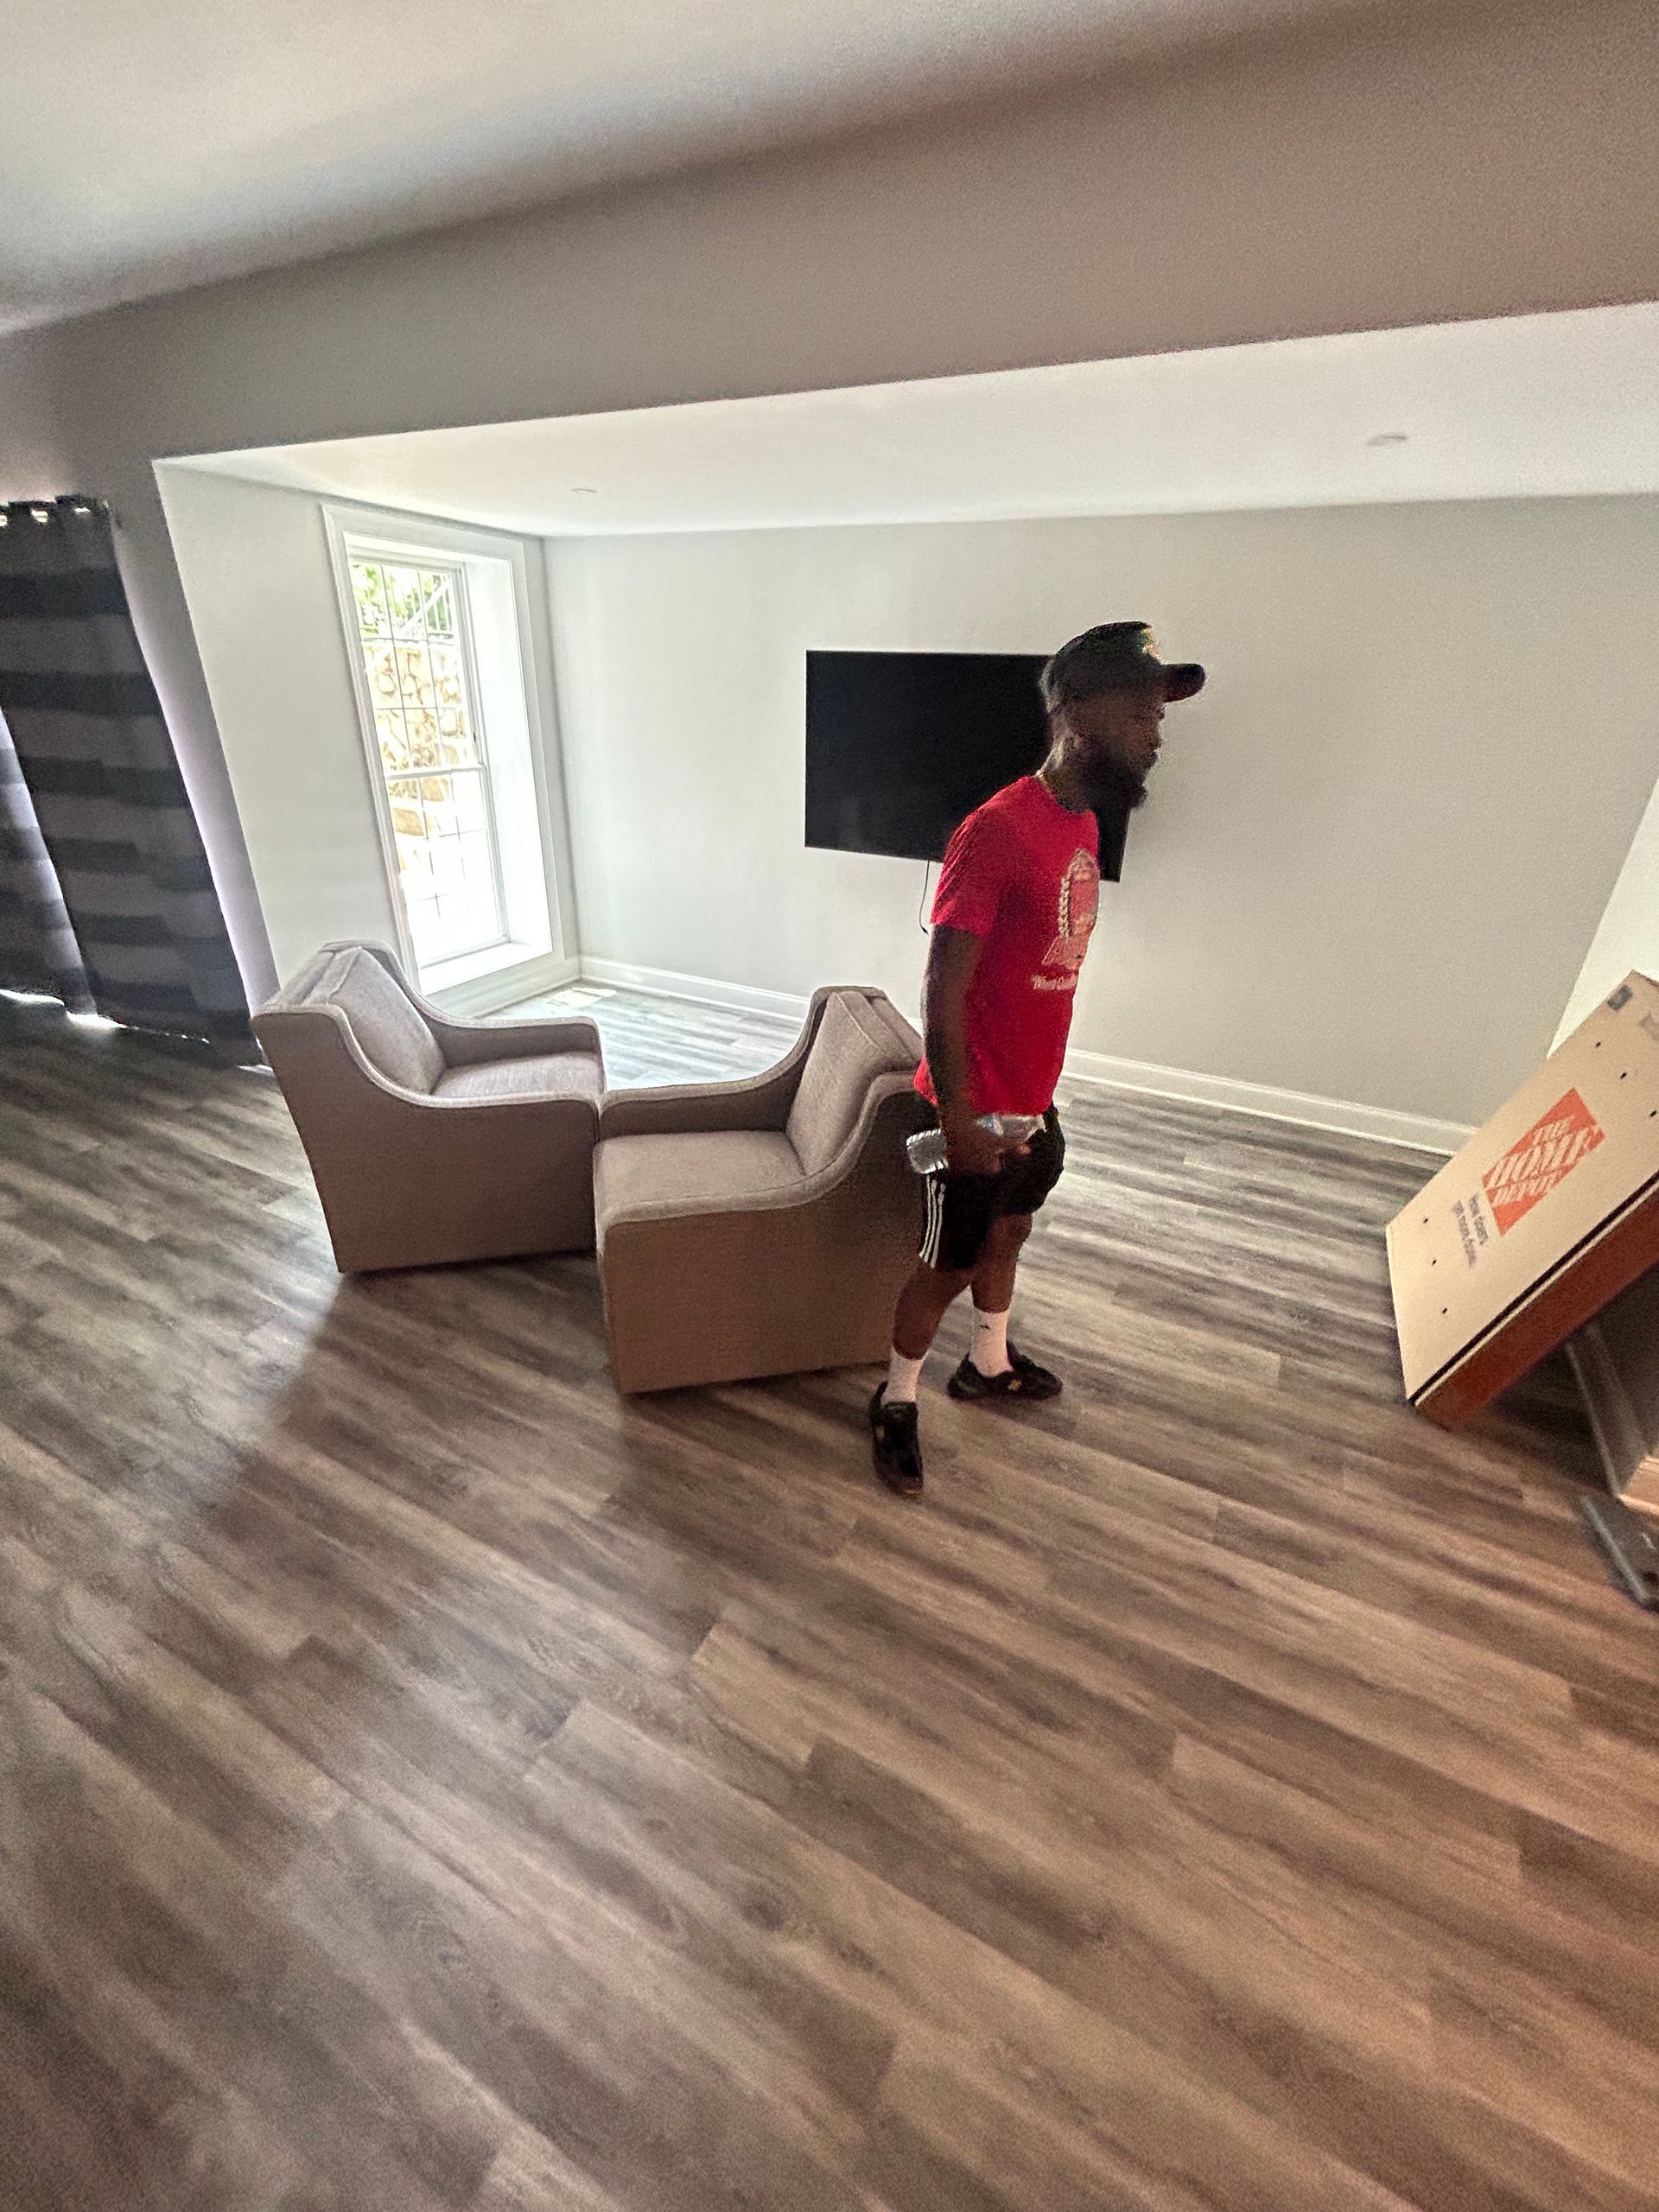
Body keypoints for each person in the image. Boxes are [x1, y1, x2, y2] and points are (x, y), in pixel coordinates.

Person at [868, 620, 1205, 1495]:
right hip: (973, 1107)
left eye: (1158, 715)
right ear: (1076, 715)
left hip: (1031, 1097)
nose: (1157, 735)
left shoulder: (1084, 824)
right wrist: (957, 1114)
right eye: (1141, 713)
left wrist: (1029, 1103)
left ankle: (987, 1363)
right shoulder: (993, 834)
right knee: (943, 1268)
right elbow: (942, 989)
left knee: (1012, 1231)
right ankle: (896, 1399)